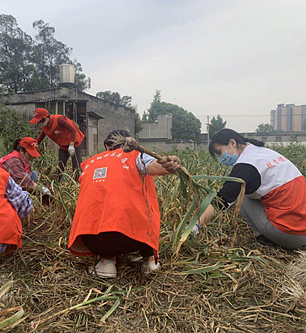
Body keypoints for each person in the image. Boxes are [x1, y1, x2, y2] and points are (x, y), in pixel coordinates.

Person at [68, 130, 181, 278]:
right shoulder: (135, 155)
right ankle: (150, 260)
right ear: (131, 143)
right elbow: (155, 166)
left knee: (102, 210)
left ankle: (107, 261)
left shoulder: (90, 163)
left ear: (107, 146)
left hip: (91, 238)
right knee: (146, 206)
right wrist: (169, 164)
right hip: (132, 238)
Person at [196, 128, 306, 249]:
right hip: (302, 228)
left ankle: (266, 240)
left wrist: (194, 226)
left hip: (292, 235)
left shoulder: (245, 165)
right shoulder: (264, 153)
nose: (221, 158)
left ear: (233, 143)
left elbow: (222, 201)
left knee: (241, 196)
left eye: (219, 152)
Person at [29, 108, 85, 178]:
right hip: (63, 145)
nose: (41, 123)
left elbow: (73, 130)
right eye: (39, 122)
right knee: (60, 167)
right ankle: (57, 184)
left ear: (47, 117)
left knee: (76, 167)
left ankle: (77, 184)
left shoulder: (59, 120)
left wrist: (71, 145)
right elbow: (42, 136)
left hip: (74, 142)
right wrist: (34, 145)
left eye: (42, 121)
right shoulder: (45, 126)